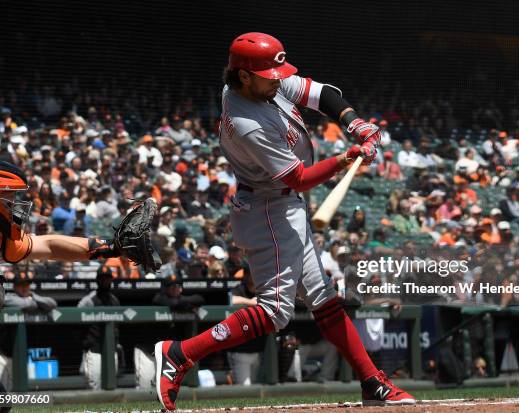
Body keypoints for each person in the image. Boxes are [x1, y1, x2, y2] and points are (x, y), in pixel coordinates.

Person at [153, 32, 414, 411]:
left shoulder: (261, 82)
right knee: (276, 312)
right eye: (268, 73)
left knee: (323, 298)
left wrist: (354, 122)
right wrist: (345, 158)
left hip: (284, 206)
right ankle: (181, 353)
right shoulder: (246, 119)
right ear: (243, 75)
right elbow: (299, 178)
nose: (277, 78)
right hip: (268, 209)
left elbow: (321, 93)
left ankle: (373, 382)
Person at [77, 266, 120, 389]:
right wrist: (85, 343)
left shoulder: (114, 300)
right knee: (94, 385)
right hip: (94, 349)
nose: (105, 281)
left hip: (111, 349)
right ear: (97, 280)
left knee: (111, 385)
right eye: (102, 278)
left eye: (107, 278)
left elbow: (117, 327)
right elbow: (76, 322)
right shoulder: (89, 300)